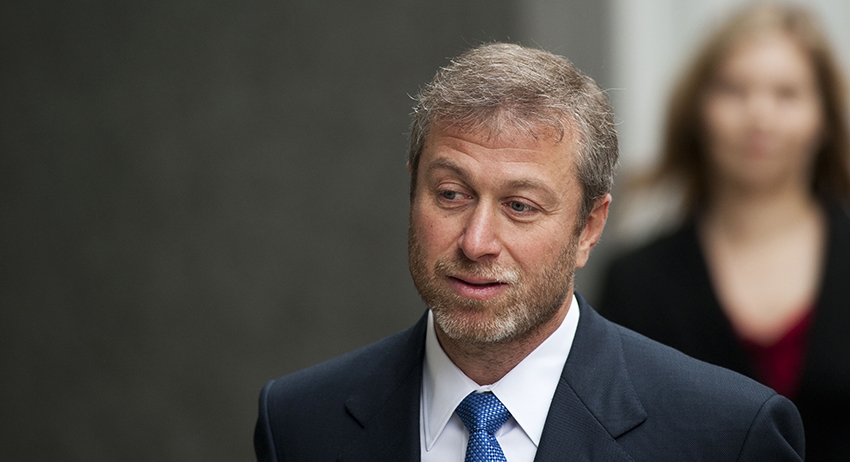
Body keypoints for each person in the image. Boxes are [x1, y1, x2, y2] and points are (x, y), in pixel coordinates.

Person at [254, 42, 804, 461]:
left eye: (520, 206)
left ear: (589, 227)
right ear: (412, 189)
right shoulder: (299, 423)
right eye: (451, 195)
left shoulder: (727, 434)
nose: (476, 242)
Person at [599, 4, 850, 461]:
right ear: (698, 110)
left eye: (787, 94)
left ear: (824, 117)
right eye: (734, 90)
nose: (759, 115)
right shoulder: (636, 280)